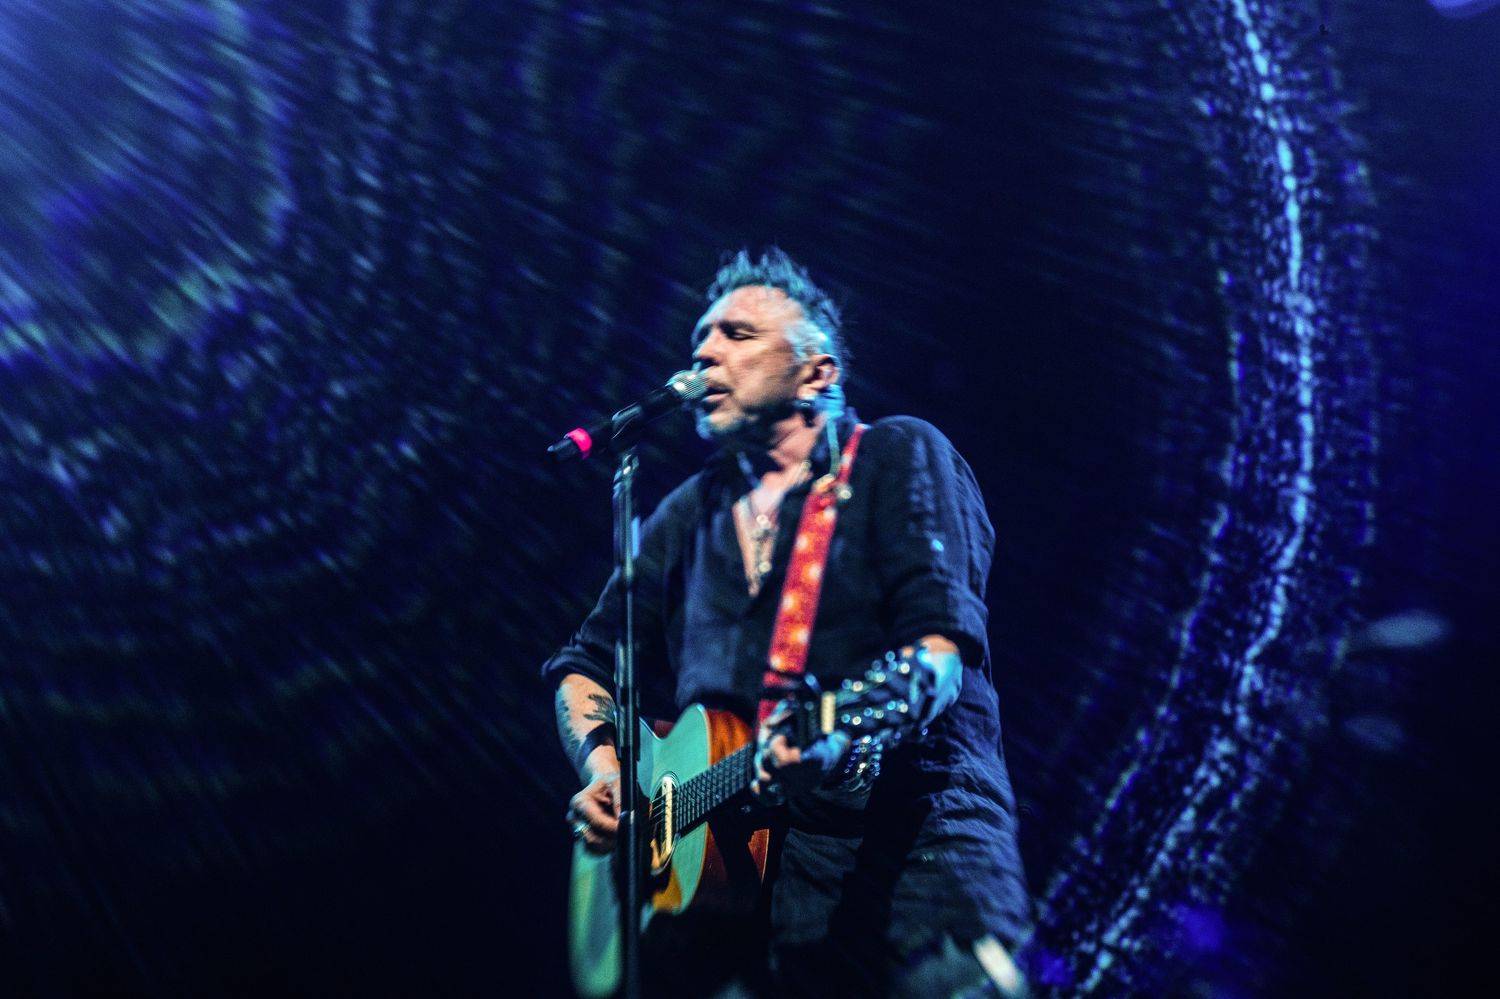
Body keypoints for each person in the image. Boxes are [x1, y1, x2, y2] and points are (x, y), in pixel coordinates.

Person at [545, 248, 1031, 997]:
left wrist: (834, 733)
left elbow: (937, 654)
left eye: (737, 334)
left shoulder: (897, 455)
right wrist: (607, 774)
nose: (705, 352)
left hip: (917, 859)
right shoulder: (687, 514)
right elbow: (584, 665)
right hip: (764, 920)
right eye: (700, 338)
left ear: (817, 373)